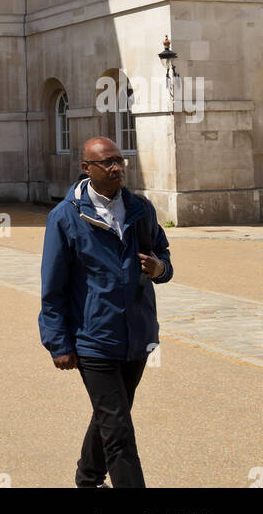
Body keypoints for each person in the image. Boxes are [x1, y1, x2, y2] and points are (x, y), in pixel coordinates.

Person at [39, 136, 173, 490]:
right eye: (107, 162)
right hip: (94, 339)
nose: (117, 168)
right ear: (87, 168)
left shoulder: (141, 208)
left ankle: (87, 479)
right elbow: (53, 289)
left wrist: (159, 268)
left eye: (120, 160)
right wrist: (58, 342)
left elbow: (164, 255)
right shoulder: (65, 216)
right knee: (119, 432)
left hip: (138, 336)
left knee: (111, 417)